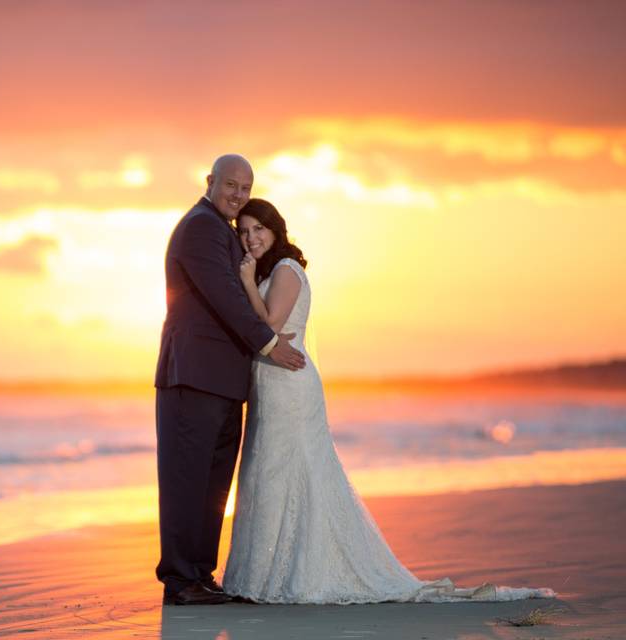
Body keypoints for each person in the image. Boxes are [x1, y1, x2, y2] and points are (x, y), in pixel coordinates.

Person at [222, 198, 555, 604]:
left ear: (276, 229)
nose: (251, 237)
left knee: (290, 470)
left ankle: (296, 573)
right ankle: (259, 576)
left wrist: (244, 281)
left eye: (258, 229)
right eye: (244, 231)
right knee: (265, 471)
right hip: (270, 385)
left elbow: (270, 324)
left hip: (290, 384)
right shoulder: (268, 271)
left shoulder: (287, 271)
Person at [154, 155, 306, 606]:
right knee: (188, 480)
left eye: (245, 188)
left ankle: (200, 575)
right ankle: (180, 581)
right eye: (231, 185)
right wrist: (269, 343)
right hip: (194, 376)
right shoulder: (201, 226)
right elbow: (223, 296)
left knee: (213, 484)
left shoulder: (224, 230)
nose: (238, 195)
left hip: (222, 380)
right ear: (211, 182)